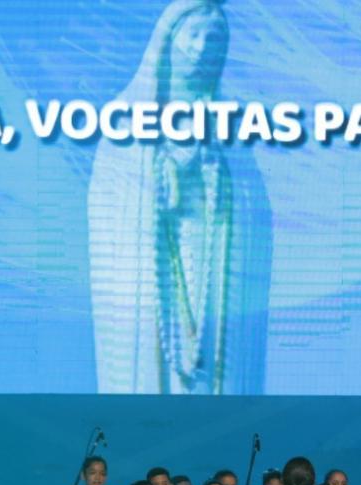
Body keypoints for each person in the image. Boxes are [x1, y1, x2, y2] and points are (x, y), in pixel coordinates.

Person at [88, 0, 272, 394]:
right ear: (168, 40)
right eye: (194, 35)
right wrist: (158, 177)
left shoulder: (230, 128)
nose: (203, 47)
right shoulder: (127, 120)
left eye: (214, 38)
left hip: (213, 268)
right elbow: (112, 207)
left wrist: (214, 174)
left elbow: (253, 208)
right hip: (156, 273)